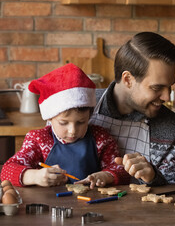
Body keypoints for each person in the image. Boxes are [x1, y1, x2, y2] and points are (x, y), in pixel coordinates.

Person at [1, 64, 129, 188]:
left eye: (81, 122)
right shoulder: (38, 139)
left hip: (90, 204)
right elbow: (6, 171)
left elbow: (121, 171)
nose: (72, 131)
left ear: (89, 116)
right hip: (48, 206)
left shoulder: (101, 138)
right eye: (63, 123)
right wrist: (34, 176)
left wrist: (105, 176)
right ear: (50, 117)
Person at [89, 32, 175, 186]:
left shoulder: (172, 127)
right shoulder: (82, 106)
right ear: (128, 79)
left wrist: (153, 177)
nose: (167, 97)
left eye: (170, 86)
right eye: (157, 87)